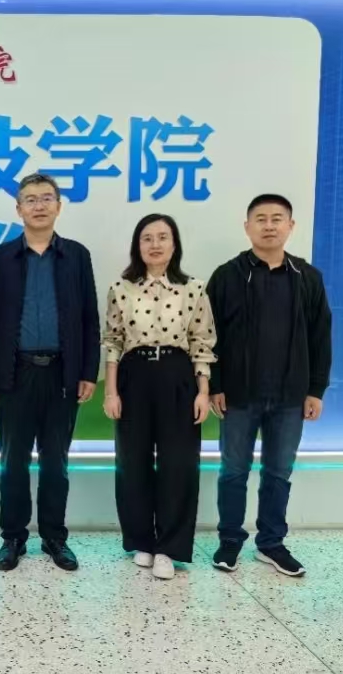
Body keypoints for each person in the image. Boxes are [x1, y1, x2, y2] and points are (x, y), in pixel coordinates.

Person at [0, 172, 99, 573]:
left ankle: (54, 537)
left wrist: (87, 371)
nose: (39, 205)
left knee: (55, 463)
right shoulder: (1, 258)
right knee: (13, 462)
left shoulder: (77, 256)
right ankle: (13, 537)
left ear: (59, 206)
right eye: (30, 199)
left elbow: (89, 317)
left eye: (47, 198)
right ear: (18, 209)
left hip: (63, 374)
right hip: (15, 373)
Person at [208, 194, 332, 578]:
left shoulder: (307, 277)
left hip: (290, 396)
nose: (269, 225)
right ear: (247, 227)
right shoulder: (227, 276)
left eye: (277, 218)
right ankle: (230, 540)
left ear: (290, 226)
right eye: (260, 218)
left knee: (278, 472)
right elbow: (208, 335)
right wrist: (215, 384)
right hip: (238, 395)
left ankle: (271, 543)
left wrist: (315, 390)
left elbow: (321, 336)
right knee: (233, 471)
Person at [102, 214, 216, 580]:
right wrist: (111, 391)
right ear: (137, 246)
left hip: (177, 375)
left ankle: (169, 547)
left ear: (174, 244)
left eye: (163, 237)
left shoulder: (193, 288)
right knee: (132, 461)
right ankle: (141, 541)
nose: (155, 244)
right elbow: (113, 341)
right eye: (147, 238)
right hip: (133, 376)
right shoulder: (121, 287)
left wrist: (202, 391)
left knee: (178, 463)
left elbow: (202, 342)